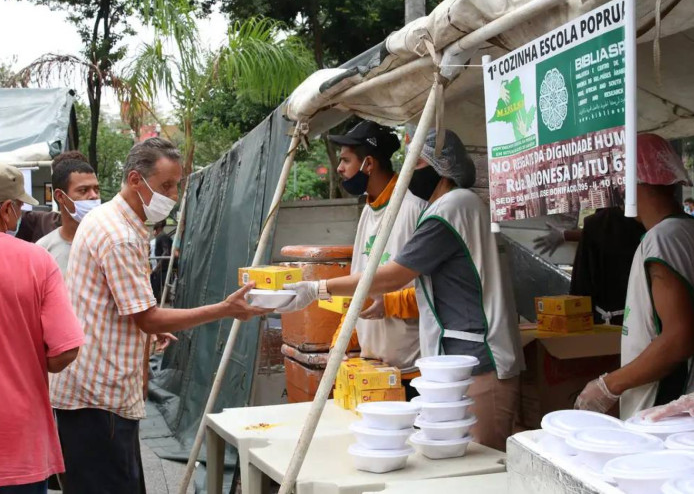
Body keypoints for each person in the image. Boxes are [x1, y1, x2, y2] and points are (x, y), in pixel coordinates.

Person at [49, 137, 272, 494]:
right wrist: (226, 309)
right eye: (166, 185)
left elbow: (113, 308)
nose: (173, 193)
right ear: (136, 180)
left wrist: (144, 332)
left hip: (92, 392)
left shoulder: (109, 220)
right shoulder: (119, 235)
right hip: (98, 398)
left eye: (177, 184)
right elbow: (148, 317)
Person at [280, 129, 524, 451]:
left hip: (480, 362)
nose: (408, 171)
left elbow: (393, 276)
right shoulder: (455, 206)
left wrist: (318, 287)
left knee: (483, 463)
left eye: (416, 162)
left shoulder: (450, 208)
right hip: (461, 362)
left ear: (441, 166)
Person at [0, 162, 84, 494]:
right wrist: (27, 358)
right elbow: (66, 349)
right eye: (19, 205)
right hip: (17, 444)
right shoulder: (37, 261)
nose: (20, 212)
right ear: (7, 209)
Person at [575, 134, 694, 419]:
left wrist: (608, 386)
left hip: (661, 409)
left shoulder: (662, 238)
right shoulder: (684, 230)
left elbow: (679, 339)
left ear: (632, 183)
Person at [328, 120, 426, 398]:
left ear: (368, 164)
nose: (339, 168)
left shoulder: (414, 208)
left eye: (346, 160)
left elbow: (435, 294)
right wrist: (341, 343)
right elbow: (359, 289)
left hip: (413, 371)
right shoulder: (368, 212)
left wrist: (389, 303)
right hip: (372, 369)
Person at [36, 151, 100, 276]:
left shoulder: (112, 242)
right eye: (83, 190)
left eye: (97, 189)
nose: (93, 196)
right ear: (60, 196)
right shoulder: (43, 250)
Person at [150, 220, 173, 302]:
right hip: (162, 268)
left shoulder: (163, 236)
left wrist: (157, 267)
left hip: (163, 268)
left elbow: (166, 252)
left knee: (160, 285)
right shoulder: (161, 236)